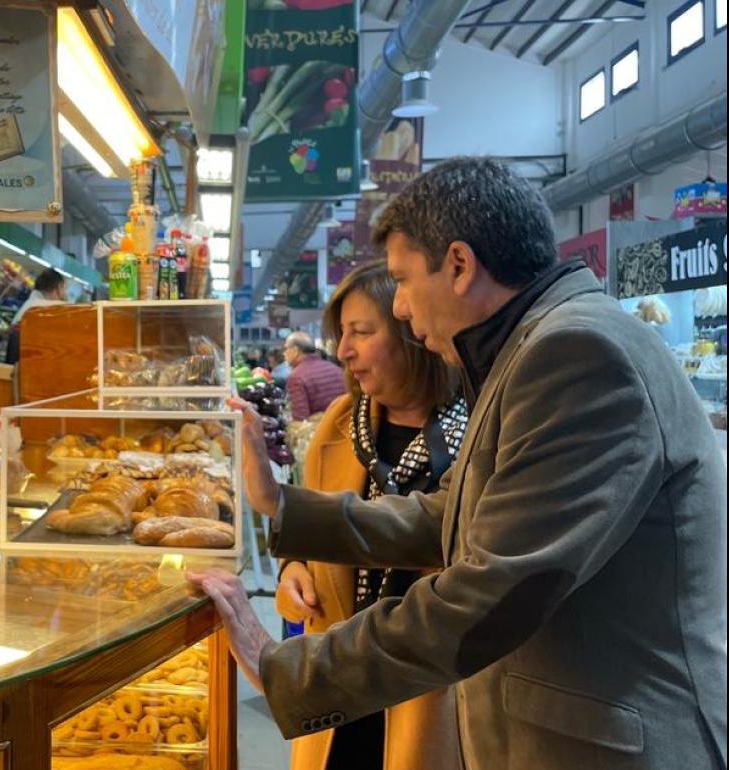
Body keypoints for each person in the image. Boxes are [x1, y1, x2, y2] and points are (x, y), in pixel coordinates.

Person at [189, 157, 726, 770]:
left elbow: (494, 590)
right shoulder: (533, 348)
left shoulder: (577, 354)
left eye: (404, 281)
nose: (401, 312)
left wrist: (283, 666)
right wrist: (284, 506)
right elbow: (454, 517)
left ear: (461, 265)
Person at [282, 261, 464, 770]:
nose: (343, 350)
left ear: (412, 331)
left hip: (430, 698)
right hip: (340, 688)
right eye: (341, 334)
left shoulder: (477, 432)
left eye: (361, 332)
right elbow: (310, 532)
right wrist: (292, 568)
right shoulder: (341, 425)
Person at [284, 331, 346, 420]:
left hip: (320, 431)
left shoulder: (296, 377)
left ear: (295, 351)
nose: (284, 353)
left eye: (286, 348)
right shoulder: (336, 370)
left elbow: (300, 420)